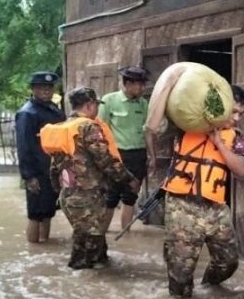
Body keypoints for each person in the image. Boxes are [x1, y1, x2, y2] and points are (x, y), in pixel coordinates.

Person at [161, 85, 244, 298]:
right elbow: (157, 120)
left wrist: (219, 143)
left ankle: (209, 288)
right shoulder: (187, 126)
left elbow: (241, 170)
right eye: (234, 111)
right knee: (180, 272)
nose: (237, 118)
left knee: (228, 262)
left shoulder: (235, 138)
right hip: (182, 206)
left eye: (241, 114)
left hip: (215, 209)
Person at [47, 87, 137, 269]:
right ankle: (83, 290)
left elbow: (54, 169)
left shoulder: (62, 127)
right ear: (89, 106)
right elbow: (105, 159)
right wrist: (128, 179)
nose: (97, 110)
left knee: (94, 245)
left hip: (69, 195)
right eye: (96, 105)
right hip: (87, 196)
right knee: (86, 252)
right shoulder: (88, 126)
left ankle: (93, 285)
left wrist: (61, 191)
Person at [15, 71, 66, 243]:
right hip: (37, 171)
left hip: (54, 170)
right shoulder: (27, 114)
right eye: (41, 87)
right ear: (33, 89)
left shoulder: (55, 111)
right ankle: (35, 251)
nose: (46, 90)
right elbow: (23, 147)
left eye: (49, 87)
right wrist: (29, 176)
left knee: (49, 211)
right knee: (35, 214)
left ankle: (46, 245)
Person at [99, 66, 150, 232]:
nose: (143, 88)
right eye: (139, 85)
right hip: (116, 156)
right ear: (127, 83)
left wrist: (152, 156)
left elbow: (148, 131)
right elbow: (100, 130)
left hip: (138, 156)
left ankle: (125, 237)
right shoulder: (109, 100)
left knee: (130, 198)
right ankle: (101, 236)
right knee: (110, 198)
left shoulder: (143, 104)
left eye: (143, 84)